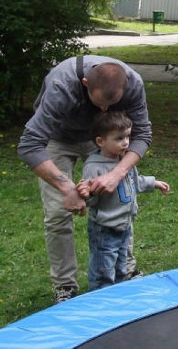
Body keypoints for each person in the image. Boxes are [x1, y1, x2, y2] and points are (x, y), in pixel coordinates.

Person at [18, 55, 152, 303]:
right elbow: (29, 146)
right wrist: (66, 187)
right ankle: (65, 285)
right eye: (99, 103)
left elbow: (142, 134)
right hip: (58, 138)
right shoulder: (62, 85)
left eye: (111, 105)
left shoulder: (133, 83)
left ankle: (126, 269)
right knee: (59, 213)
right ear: (85, 83)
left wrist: (116, 173)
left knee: (121, 200)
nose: (103, 110)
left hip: (103, 141)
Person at [76, 112, 169, 289]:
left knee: (121, 265)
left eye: (128, 136)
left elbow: (135, 180)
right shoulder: (94, 166)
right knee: (104, 269)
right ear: (101, 142)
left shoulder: (124, 159)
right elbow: (89, 198)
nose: (126, 142)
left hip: (125, 224)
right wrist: (86, 194)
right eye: (119, 138)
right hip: (105, 228)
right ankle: (100, 300)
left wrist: (154, 183)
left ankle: (118, 294)